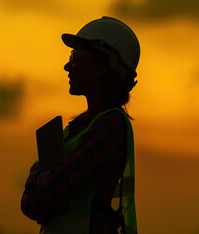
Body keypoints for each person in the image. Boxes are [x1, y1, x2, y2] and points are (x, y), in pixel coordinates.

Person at [21, 17, 139, 234]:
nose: (67, 65)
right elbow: (29, 205)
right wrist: (41, 189)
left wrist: (33, 177)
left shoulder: (111, 124)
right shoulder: (75, 130)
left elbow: (59, 183)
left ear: (101, 66)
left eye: (74, 57)